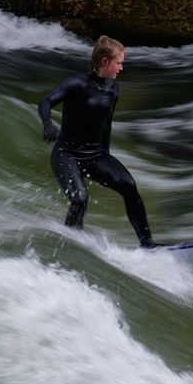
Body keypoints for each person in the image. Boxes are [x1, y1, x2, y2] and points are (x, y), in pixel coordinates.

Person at [38, 36, 160, 248]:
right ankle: (70, 242)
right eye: (118, 63)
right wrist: (47, 123)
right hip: (67, 154)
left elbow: (106, 125)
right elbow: (46, 101)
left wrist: (107, 158)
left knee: (129, 186)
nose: (121, 68)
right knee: (80, 198)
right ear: (104, 62)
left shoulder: (113, 89)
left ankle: (147, 244)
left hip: (96, 155)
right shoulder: (77, 84)